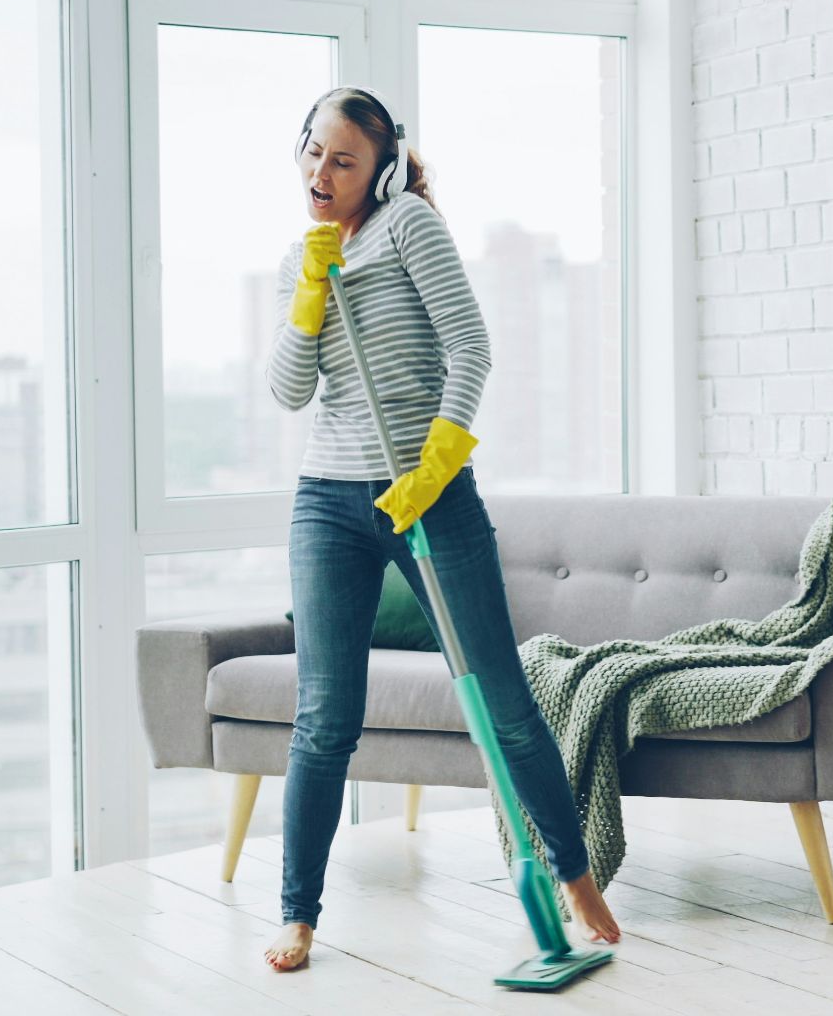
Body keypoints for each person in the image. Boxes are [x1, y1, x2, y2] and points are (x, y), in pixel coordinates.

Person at [261, 85, 619, 972]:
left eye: (344, 160)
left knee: (502, 702)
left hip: (433, 492)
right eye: (314, 152)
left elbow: (472, 349)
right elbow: (288, 392)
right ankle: (297, 914)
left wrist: (437, 462)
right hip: (329, 504)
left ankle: (573, 872)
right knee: (323, 720)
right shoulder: (301, 257)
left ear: (381, 169)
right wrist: (309, 296)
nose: (322, 171)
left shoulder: (410, 228)